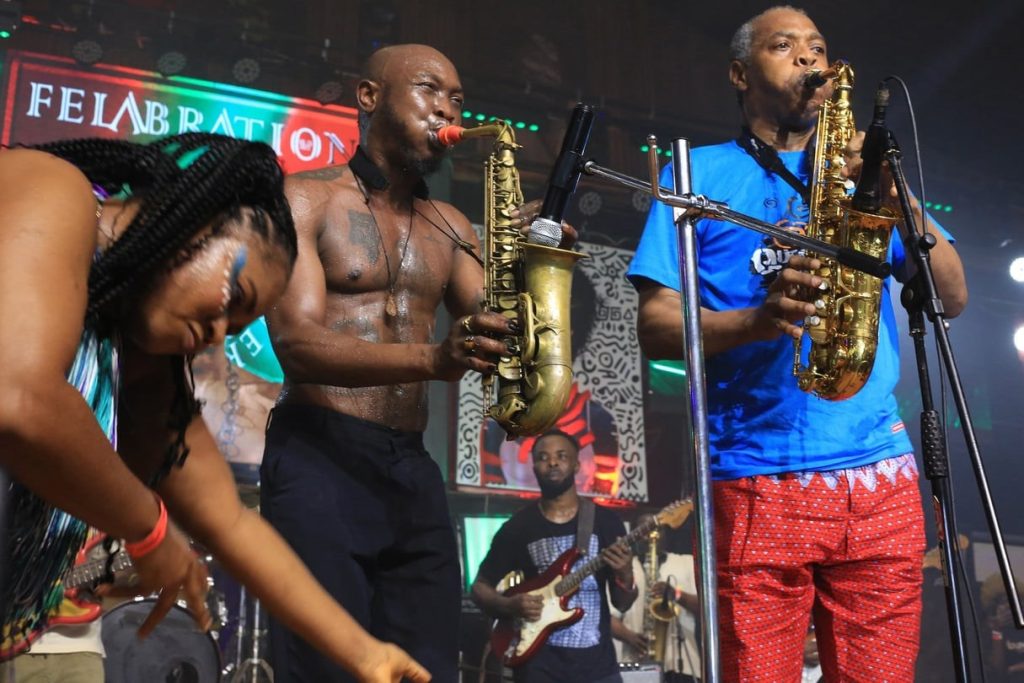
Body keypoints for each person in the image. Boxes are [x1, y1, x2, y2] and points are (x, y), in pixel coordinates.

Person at [0, 133, 428, 683]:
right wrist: (149, 529)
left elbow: (228, 522)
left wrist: (365, 653)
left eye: (237, 328)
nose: (218, 337)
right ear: (193, 219)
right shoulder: (53, 187)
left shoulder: (139, 354)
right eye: (234, 300)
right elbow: (20, 398)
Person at [627, 6, 967, 682]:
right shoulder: (695, 175)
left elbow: (950, 294)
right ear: (739, 73)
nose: (809, 60)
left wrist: (892, 189)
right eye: (784, 47)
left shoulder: (862, 173)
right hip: (756, 475)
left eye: (818, 48)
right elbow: (656, 324)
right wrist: (758, 320)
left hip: (879, 475)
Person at [261, 43, 572, 682]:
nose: (447, 109)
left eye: (457, 100)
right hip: (319, 453)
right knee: (325, 667)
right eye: (430, 90)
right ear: (369, 97)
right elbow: (294, 343)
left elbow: (506, 326)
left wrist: (530, 260)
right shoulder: (305, 198)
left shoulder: (453, 226)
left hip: (408, 467)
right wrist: (434, 356)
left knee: (431, 666)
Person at [469, 430, 636, 683]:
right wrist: (508, 605)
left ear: (577, 464)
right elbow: (479, 587)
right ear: (534, 466)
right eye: (543, 457)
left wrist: (625, 573)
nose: (553, 462)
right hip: (538, 669)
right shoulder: (518, 528)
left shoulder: (605, 521)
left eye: (561, 456)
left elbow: (622, 604)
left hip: (598, 670)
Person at [611, 516, 700, 682]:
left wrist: (678, 594)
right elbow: (608, 617)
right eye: (643, 531)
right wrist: (629, 636)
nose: (649, 535)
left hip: (683, 666)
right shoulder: (625, 569)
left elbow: (707, 610)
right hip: (636, 664)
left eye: (655, 529)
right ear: (635, 535)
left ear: (664, 533)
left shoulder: (686, 562)